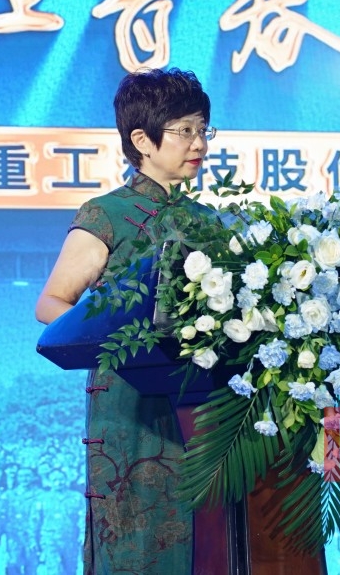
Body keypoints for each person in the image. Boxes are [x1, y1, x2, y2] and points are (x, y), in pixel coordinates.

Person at [35, 67, 215, 574]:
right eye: (185, 131)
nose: (199, 143)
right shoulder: (107, 214)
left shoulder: (208, 222)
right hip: (132, 404)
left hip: (203, 401)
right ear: (141, 140)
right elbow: (51, 304)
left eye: (204, 130)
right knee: (139, 538)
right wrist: (125, 345)